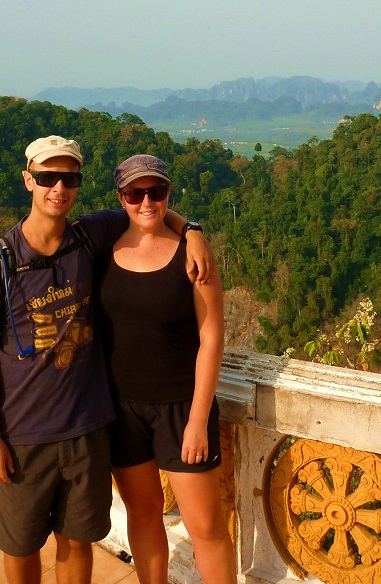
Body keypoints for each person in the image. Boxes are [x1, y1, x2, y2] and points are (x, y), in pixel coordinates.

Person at [0, 136, 214, 584]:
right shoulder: (3, 261)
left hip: (88, 427)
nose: (58, 188)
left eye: (69, 178)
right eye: (47, 178)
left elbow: (150, 211)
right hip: (23, 433)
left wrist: (193, 230)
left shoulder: (88, 235)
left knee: (78, 542)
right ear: (28, 181)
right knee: (20, 547)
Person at [96, 155, 236, 584]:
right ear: (121, 198)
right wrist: (191, 225)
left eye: (156, 192)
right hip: (122, 409)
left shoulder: (192, 259)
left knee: (206, 527)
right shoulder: (102, 245)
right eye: (135, 194)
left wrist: (197, 420)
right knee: (143, 515)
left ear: (168, 194)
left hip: (181, 407)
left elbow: (212, 339)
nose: (146, 202)